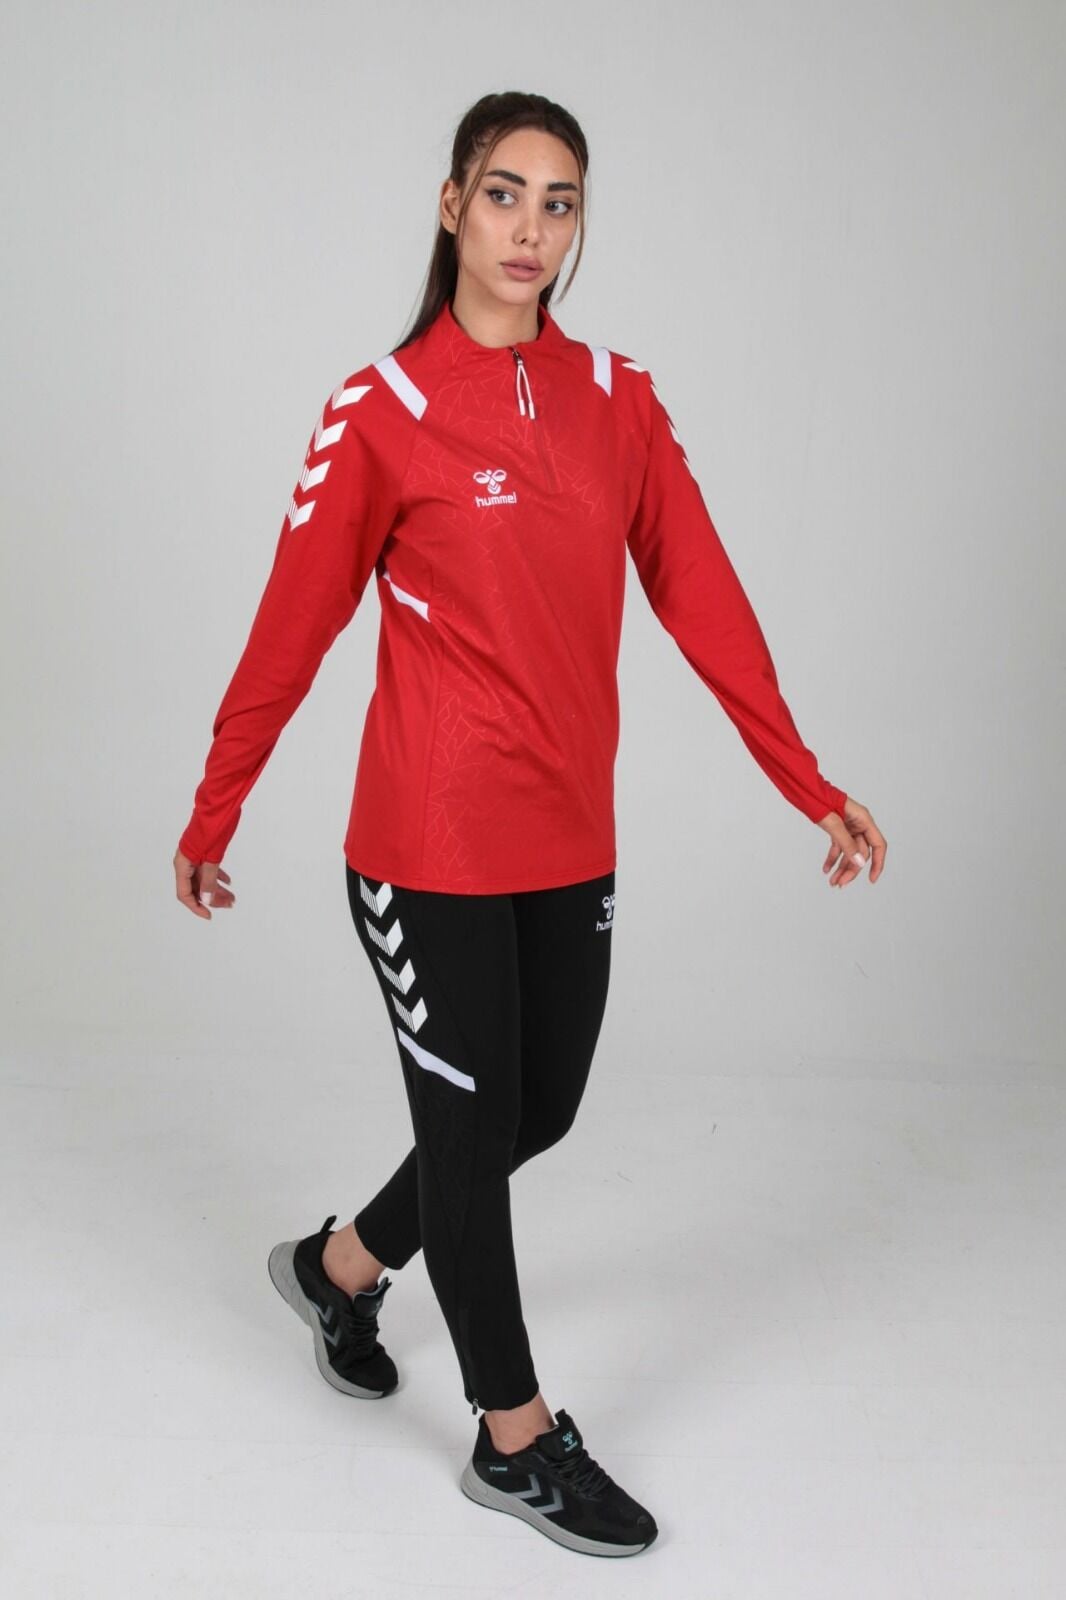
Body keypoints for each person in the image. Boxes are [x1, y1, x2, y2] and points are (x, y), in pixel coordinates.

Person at [173, 90, 886, 1558]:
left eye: (560, 202)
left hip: (568, 835)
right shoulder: (382, 411)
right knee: (468, 1122)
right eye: (504, 194)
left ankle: (337, 1267)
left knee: (536, 1109)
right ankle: (515, 1438)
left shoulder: (617, 398)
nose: (530, 229)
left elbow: (703, 595)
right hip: (424, 842)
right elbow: (290, 628)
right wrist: (215, 804)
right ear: (452, 206)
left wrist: (804, 779)